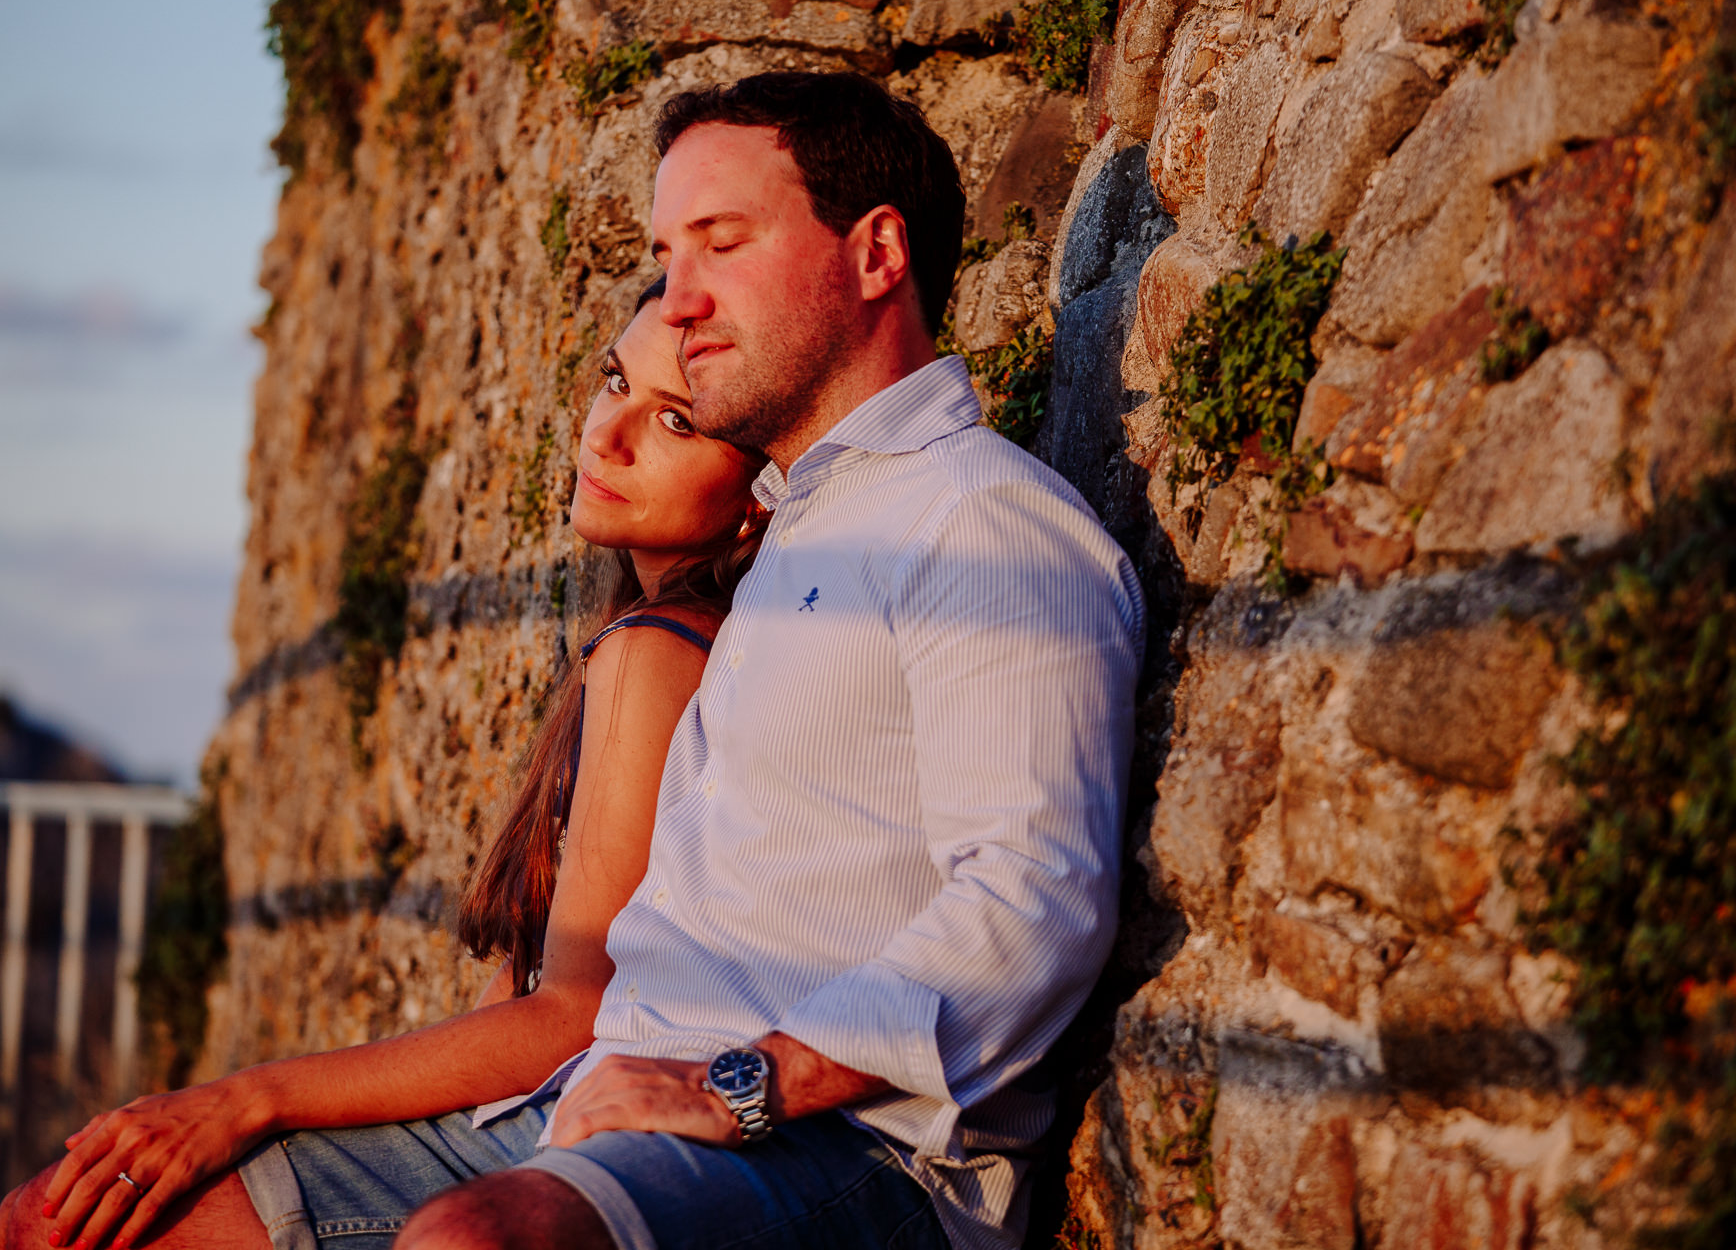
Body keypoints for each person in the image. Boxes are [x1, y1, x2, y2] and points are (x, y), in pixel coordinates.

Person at [391, 71, 1145, 1250]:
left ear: (877, 252)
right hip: (604, 1105)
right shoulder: (799, 535)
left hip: (849, 1150)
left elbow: (1033, 897)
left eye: (720, 244)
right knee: (108, 1213)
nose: (676, 302)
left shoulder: (979, 518)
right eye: (664, 251)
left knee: (477, 1242)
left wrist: (735, 1087)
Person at [0, 278, 769, 1250]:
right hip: (552, 1107)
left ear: (753, 505)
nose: (607, 434)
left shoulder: (659, 648)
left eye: (675, 420)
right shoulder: (647, 636)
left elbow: (575, 1011)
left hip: (593, 1121)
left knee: (57, 1221)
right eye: (614, 379)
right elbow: (520, 994)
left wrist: (247, 1099)